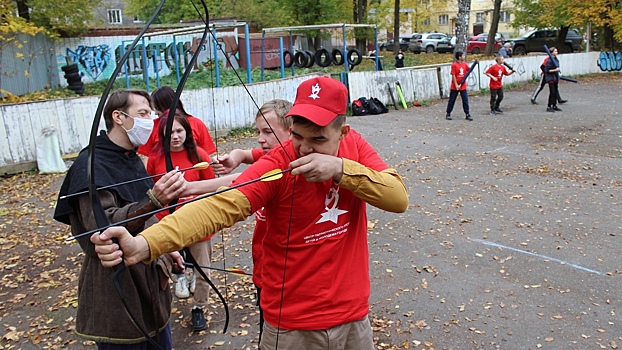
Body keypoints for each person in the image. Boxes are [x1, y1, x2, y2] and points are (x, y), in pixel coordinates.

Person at [90, 76, 409, 349]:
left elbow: (397, 198)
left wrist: (340, 168)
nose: (305, 149)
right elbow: (219, 207)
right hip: (291, 325)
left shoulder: (355, 150)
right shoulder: (279, 163)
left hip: (353, 317)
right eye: (297, 136)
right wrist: (144, 244)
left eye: (318, 140)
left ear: (343, 132)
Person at [54, 89, 187, 349]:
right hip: (118, 292)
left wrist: (164, 246)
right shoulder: (90, 164)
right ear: (118, 116)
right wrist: (154, 200)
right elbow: (103, 227)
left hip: (149, 281)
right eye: (143, 113)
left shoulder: (128, 157)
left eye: (151, 113)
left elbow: (144, 216)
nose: (151, 120)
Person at [211, 99, 292, 343]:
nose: (259, 138)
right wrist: (235, 156)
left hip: (285, 280)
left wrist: (185, 187)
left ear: (291, 131)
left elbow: (241, 179)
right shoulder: (272, 154)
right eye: (258, 131)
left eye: (267, 131)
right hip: (264, 272)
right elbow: (248, 155)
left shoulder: (289, 165)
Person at [146, 108, 216, 331]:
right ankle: (179, 280)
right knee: (166, 264)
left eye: (179, 131)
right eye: (169, 133)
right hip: (167, 223)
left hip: (198, 222)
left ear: (187, 131)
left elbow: (213, 189)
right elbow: (150, 192)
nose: (175, 136)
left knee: (203, 267)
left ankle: (199, 308)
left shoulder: (199, 156)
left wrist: (194, 196)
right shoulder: (155, 159)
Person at [137, 85, 217, 162]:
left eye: (157, 108)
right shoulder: (153, 126)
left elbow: (207, 155)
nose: (156, 112)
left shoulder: (196, 123)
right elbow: (147, 157)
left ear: (165, 105)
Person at [446, 51, 473, 121]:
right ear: (459, 57)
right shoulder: (454, 65)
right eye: (463, 56)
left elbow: (469, 70)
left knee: (465, 100)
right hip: (455, 86)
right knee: (452, 100)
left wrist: (474, 64)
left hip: (463, 86)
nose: (464, 57)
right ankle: (448, 113)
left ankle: (467, 114)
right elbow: (453, 75)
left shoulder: (465, 64)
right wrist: (456, 85)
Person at [545, 47, 563, 113]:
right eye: (555, 51)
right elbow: (547, 70)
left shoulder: (556, 59)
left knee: (555, 92)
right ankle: (549, 106)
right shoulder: (549, 60)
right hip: (551, 78)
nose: (557, 52)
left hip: (555, 77)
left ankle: (554, 105)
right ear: (552, 52)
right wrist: (555, 70)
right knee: (552, 92)